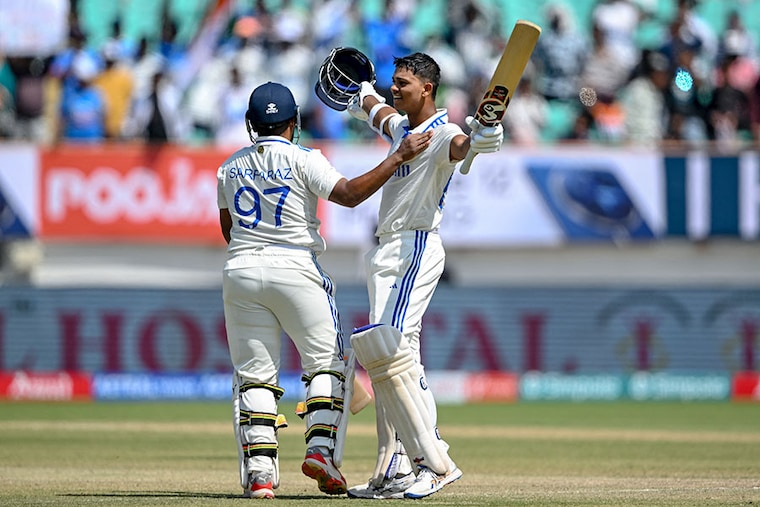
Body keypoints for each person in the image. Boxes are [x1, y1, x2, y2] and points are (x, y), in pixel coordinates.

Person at [216, 81, 432, 499]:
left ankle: (261, 475)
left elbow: (230, 230)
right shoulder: (304, 158)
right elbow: (350, 195)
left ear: (250, 123)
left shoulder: (228, 166)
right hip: (297, 268)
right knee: (327, 366)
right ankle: (321, 451)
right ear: (294, 123)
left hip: (240, 270)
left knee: (254, 376)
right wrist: (398, 156)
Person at [341, 52, 503, 499]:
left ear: (427, 89)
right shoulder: (401, 129)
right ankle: (393, 467)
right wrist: (362, 93)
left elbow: (466, 147)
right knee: (387, 361)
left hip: (415, 247)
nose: (396, 89)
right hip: (385, 252)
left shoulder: (443, 132)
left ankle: (434, 461)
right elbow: (379, 112)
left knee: (386, 351)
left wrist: (485, 134)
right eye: (394, 82)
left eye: (403, 84)